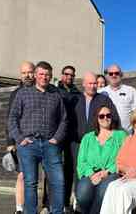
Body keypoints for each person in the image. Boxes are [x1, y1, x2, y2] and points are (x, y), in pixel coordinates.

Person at [8, 61, 68, 214]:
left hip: (50, 144)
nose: (44, 77)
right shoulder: (23, 93)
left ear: (51, 76)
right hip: (29, 144)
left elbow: (64, 119)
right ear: (35, 75)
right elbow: (12, 118)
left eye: (47, 75)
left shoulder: (56, 95)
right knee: (30, 183)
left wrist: (57, 138)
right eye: (41, 74)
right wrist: (20, 139)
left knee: (58, 181)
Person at [70, 72, 120, 211]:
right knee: (79, 173)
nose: (93, 86)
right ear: (84, 84)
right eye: (90, 83)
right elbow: (67, 119)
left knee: (101, 185)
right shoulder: (75, 99)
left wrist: (114, 135)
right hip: (78, 142)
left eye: (95, 83)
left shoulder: (103, 99)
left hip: (100, 140)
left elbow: (113, 117)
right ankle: (79, 204)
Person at [76, 105, 127, 214]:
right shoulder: (87, 138)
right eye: (101, 116)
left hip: (112, 173)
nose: (105, 118)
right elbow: (81, 161)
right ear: (97, 119)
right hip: (91, 173)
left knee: (102, 192)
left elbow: (125, 158)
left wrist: (107, 172)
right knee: (82, 194)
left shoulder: (121, 135)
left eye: (108, 115)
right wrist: (91, 174)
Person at [6, 61, 35, 214]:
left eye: (29, 72)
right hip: (22, 141)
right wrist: (10, 142)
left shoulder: (42, 91)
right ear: (20, 75)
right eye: (24, 73)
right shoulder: (15, 94)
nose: (27, 76)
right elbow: (10, 119)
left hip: (40, 141)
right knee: (22, 175)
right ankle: (19, 209)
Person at [55, 65, 81, 213]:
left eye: (72, 75)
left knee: (71, 169)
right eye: (66, 74)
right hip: (58, 136)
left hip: (73, 137)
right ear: (62, 75)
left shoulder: (78, 94)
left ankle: (69, 203)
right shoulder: (55, 91)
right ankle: (50, 203)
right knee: (55, 170)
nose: (69, 77)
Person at [98, 64, 136, 133]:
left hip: (127, 136)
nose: (114, 75)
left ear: (121, 75)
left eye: (116, 73)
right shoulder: (100, 92)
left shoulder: (131, 91)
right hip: (106, 138)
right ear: (107, 76)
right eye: (111, 73)